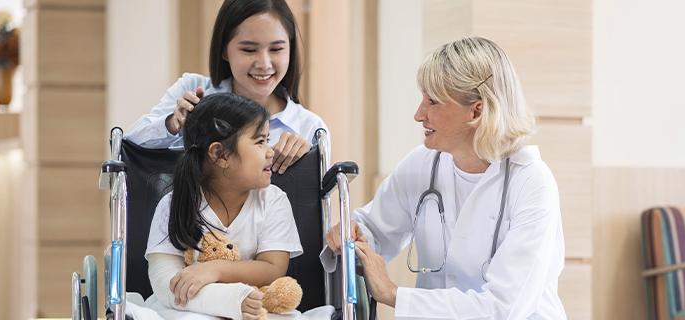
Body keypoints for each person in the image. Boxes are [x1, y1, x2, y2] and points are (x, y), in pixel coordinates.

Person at [324, 37, 567, 319]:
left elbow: (503, 308)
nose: (418, 114)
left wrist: (393, 294)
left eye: (433, 102)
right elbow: (375, 229)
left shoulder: (531, 182)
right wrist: (351, 236)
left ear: (476, 110)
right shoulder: (423, 164)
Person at [144, 93, 303, 320]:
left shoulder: (274, 201)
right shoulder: (173, 204)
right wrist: (229, 301)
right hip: (188, 309)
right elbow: (165, 282)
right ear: (220, 154)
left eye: (268, 140)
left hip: (256, 305)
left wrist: (213, 269)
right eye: (260, 142)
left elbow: (273, 268)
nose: (271, 151)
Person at [127, 0, 324, 174]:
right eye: (249, 49)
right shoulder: (191, 89)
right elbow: (128, 145)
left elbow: (311, 210)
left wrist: (306, 165)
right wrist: (172, 124)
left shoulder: (310, 128)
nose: (264, 63)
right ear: (224, 51)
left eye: (276, 49)